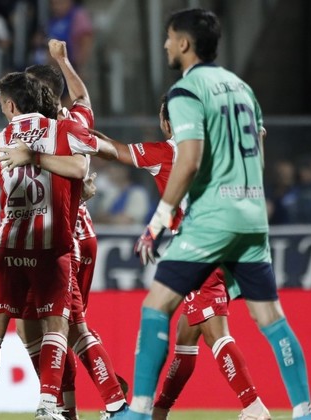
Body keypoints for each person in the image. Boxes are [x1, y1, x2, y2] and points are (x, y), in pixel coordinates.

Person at [121, 9, 311, 420]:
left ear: (184, 43)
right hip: (252, 214)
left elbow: (188, 161)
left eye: (169, 38)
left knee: (156, 305)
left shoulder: (186, 91)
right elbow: (258, 151)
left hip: (213, 219)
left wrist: (157, 222)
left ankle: (138, 412)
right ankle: (304, 413)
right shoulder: (242, 88)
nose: (165, 45)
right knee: (270, 317)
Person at [0, 71, 108, 420]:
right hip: (51, 248)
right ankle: (50, 405)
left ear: (12, 106)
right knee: (59, 327)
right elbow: (81, 163)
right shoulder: (62, 130)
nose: (2, 109)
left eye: (2, 104)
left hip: (10, 248)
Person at [92, 95, 271, 419]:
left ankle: (253, 406)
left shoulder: (166, 153)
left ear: (166, 123)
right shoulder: (217, 150)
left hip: (198, 249)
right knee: (187, 337)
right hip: (230, 246)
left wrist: (75, 135)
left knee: (216, 334)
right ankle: (160, 411)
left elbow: (113, 150)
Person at [16, 39, 128, 420]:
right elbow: (82, 96)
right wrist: (63, 60)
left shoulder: (43, 131)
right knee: (46, 328)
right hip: (80, 234)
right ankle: (69, 408)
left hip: (62, 239)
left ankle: (115, 403)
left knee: (69, 327)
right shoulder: (75, 120)